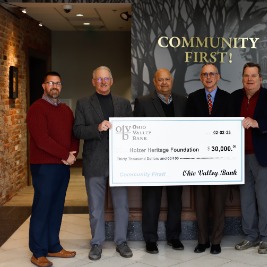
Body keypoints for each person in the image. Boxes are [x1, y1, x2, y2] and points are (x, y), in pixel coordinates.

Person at [73, 66, 133, 260]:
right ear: (93, 82)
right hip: (94, 162)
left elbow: (131, 131)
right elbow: (78, 131)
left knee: (122, 205)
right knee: (96, 207)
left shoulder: (124, 103)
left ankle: (121, 242)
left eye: (106, 78)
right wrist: (97, 128)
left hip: (120, 163)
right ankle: (96, 243)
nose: (103, 82)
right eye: (99, 79)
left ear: (112, 80)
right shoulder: (83, 103)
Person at [27, 71, 80, 267]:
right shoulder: (36, 109)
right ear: (44, 86)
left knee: (57, 206)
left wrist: (73, 153)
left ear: (61, 86)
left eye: (57, 83)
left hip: (62, 166)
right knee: (43, 207)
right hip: (44, 166)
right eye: (50, 83)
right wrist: (64, 154)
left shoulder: (66, 110)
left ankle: (53, 246)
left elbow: (73, 134)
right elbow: (42, 140)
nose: (54, 86)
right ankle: (38, 251)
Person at [232, 62, 267, 254]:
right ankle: (250, 236)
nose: (250, 79)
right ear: (242, 78)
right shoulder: (235, 97)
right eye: (246, 75)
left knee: (264, 198)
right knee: (246, 199)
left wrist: (258, 123)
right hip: (239, 157)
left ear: (260, 79)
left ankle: (265, 237)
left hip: (263, 156)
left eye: (253, 75)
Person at [133, 68, 187, 254]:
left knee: (175, 201)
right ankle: (150, 239)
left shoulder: (182, 101)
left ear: (171, 81)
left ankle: (174, 237)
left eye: (167, 79)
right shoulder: (143, 102)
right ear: (154, 83)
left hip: (176, 160)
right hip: (152, 161)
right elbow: (137, 133)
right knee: (151, 201)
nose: (164, 83)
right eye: (160, 80)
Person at [186, 63, 232, 255]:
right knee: (201, 203)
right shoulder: (194, 98)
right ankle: (202, 240)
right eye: (205, 74)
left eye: (212, 74)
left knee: (219, 203)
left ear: (218, 77)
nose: (208, 77)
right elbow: (188, 127)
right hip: (200, 160)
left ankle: (216, 241)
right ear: (201, 78)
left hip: (221, 160)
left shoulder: (228, 99)